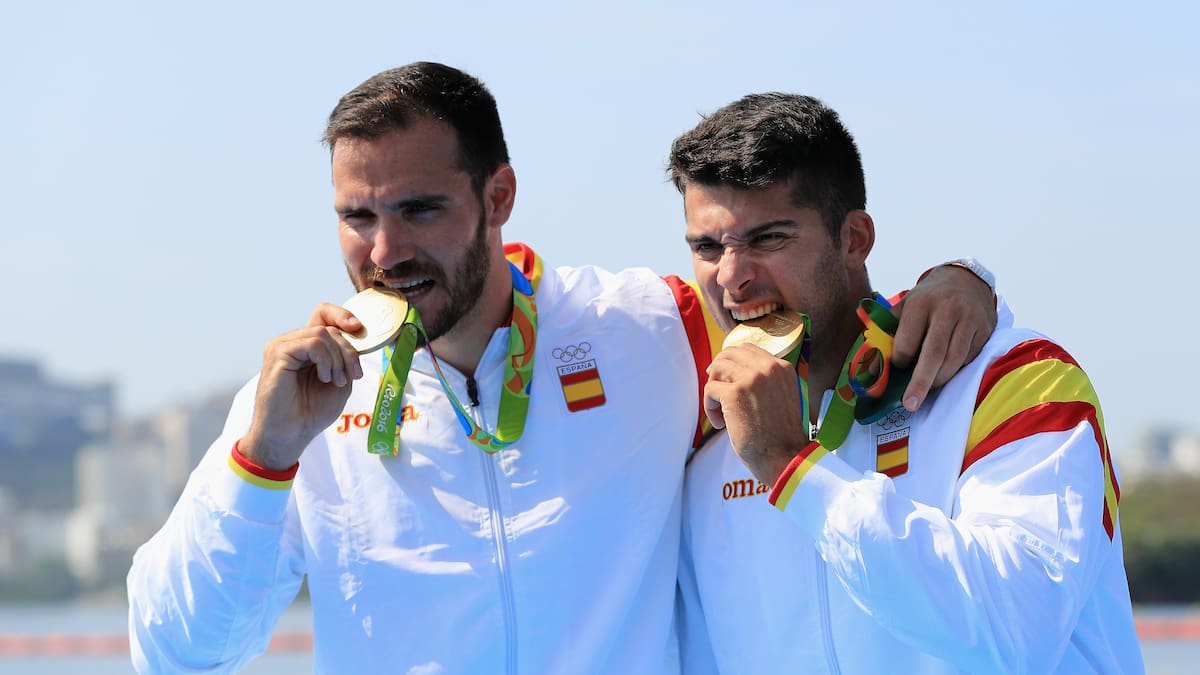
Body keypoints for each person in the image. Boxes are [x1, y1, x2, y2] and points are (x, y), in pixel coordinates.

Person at [126, 63, 997, 673]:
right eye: (358, 217)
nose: (384, 252)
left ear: (498, 197)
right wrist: (261, 460)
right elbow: (176, 653)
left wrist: (963, 280)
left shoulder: (651, 325)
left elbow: (816, 299)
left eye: (419, 210)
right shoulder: (302, 399)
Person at [672, 92, 1143, 674]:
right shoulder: (700, 432)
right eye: (707, 246)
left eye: (769, 238)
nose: (732, 277)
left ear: (855, 239)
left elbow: (1013, 632)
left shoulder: (1014, 380)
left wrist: (793, 467)